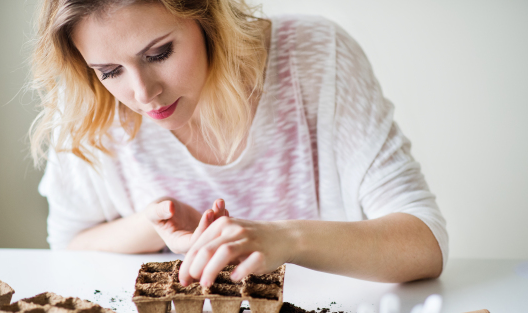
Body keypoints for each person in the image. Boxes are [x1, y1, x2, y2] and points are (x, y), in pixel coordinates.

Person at [30, 0, 448, 287]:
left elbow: (424, 244)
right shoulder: (90, 104)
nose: (143, 93)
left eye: (159, 53)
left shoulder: (314, 58)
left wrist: (285, 240)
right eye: (109, 70)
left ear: (207, 16)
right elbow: (69, 245)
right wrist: (152, 225)